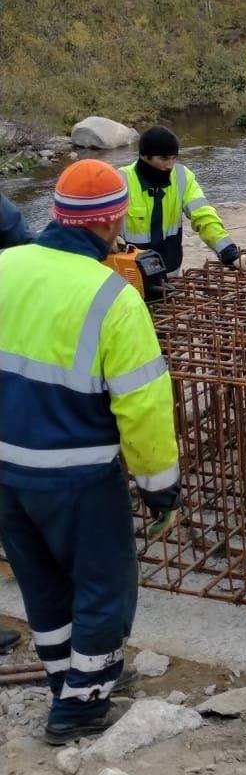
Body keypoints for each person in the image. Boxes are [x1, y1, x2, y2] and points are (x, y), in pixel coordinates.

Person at [0, 159, 180, 744]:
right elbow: (144, 407)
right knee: (103, 585)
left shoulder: (5, 265)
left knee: (41, 581)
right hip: (77, 474)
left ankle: (64, 679)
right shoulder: (113, 298)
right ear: (112, 222)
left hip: (5, 470)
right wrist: (160, 488)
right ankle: (80, 707)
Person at [120, 125, 246, 275]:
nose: (170, 165)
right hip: (130, 276)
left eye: (174, 158)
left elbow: (204, 216)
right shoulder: (121, 181)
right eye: (164, 158)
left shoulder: (183, 177)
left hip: (169, 275)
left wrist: (231, 255)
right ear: (144, 156)